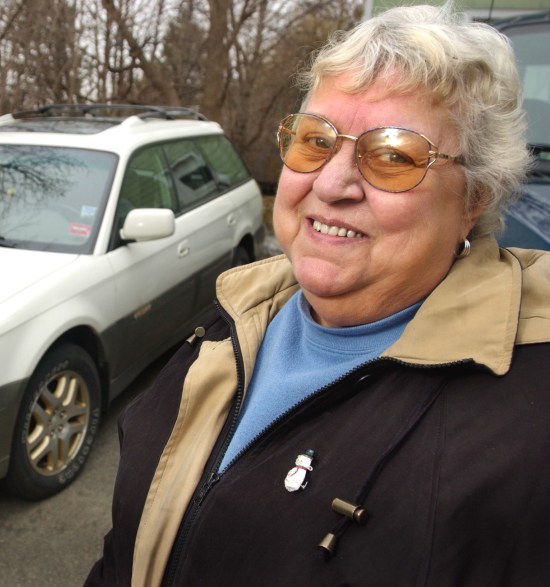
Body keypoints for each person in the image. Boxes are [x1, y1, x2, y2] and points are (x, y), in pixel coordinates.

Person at [86, 4, 550, 586]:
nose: (330, 184)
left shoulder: (530, 415)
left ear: (474, 198)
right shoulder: (232, 320)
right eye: (315, 140)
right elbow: (125, 552)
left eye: (392, 155)